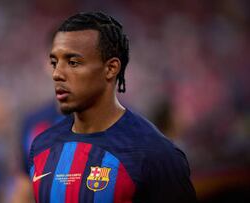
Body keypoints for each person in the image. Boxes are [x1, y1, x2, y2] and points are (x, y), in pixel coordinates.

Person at [28, 11, 197, 203]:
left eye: (73, 62)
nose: (57, 74)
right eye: (54, 62)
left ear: (111, 68)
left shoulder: (155, 154)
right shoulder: (42, 147)